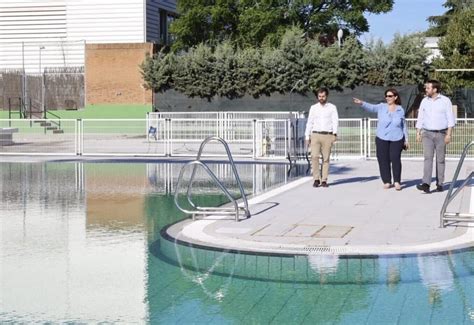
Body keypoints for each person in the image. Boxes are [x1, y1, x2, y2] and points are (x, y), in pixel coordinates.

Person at [353, 88, 409, 190]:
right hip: (382, 137)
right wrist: (362, 103)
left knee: (395, 159)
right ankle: (387, 181)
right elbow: (371, 107)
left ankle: (397, 181)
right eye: (386, 96)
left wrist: (406, 139)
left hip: (397, 138)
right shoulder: (381, 107)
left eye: (390, 96)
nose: (388, 98)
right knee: (383, 160)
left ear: (395, 97)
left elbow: (403, 125)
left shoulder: (400, 109)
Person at [415, 79, 455, 193]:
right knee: (427, 158)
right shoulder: (424, 101)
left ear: (435, 89)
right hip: (427, 133)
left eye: (428, 88)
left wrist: (449, 134)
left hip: (441, 133)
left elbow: (450, 118)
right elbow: (420, 117)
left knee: (440, 160)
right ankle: (426, 184)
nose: (426, 90)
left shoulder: (445, 101)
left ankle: (440, 183)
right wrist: (418, 132)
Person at [304, 87, 339, 188]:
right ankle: (316, 178)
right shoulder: (313, 108)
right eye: (319, 96)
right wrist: (307, 136)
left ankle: (324, 180)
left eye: (323, 96)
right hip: (315, 134)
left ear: (326, 96)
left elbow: (335, 120)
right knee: (314, 156)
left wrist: (335, 134)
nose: (321, 98)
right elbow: (310, 122)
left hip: (328, 135)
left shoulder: (332, 107)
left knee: (326, 158)